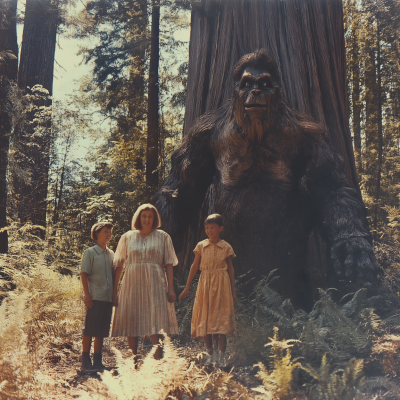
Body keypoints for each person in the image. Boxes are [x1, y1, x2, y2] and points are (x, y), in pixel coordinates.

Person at [111, 204, 178, 361]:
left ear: (154, 219)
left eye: (150, 216)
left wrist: (171, 288)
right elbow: (120, 265)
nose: (147, 219)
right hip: (132, 282)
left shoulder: (163, 237)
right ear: (138, 218)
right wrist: (115, 291)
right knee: (131, 318)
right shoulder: (127, 237)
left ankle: (157, 363)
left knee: (155, 319)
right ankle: (133, 360)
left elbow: (168, 264)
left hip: (155, 282)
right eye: (144, 216)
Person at [179, 213, 236, 367]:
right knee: (207, 321)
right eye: (207, 228)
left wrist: (233, 291)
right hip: (205, 285)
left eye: (212, 228)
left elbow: (231, 269)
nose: (209, 231)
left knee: (221, 322)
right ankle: (211, 355)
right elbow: (194, 266)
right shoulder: (201, 246)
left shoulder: (226, 247)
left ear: (220, 228)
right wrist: (187, 287)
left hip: (222, 286)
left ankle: (222, 357)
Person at [81, 222, 115, 371]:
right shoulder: (90, 252)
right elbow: (84, 274)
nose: (109, 234)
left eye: (110, 232)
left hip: (107, 299)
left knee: (101, 331)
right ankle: (85, 361)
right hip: (95, 297)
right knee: (90, 330)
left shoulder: (112, 254)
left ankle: (98, 362)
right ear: (96, 234)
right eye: (105, 232)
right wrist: (87, 295)